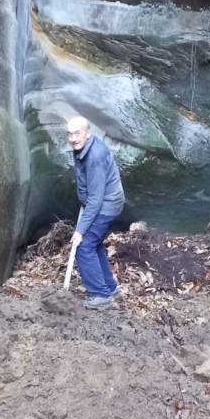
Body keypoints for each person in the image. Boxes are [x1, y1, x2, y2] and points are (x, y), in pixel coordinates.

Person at [66, 116, 125, 309]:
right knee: (95, 244)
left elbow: (96, 199)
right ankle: (111, 289)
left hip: (105, 206)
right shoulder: (84, 148)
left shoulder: (95, 157)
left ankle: (100, 296)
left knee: (83, 246)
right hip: (103, 203)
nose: (73, 138)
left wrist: (80, 231)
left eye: (78, 133)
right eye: (70, 134)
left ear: (88, 133)